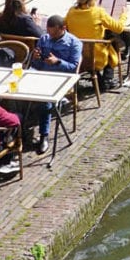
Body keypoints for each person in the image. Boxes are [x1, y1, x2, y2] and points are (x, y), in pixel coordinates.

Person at [28, 13, 82, 154]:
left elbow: (74, 69)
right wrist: (35, 58)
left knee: (45, 100)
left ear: (63, 28)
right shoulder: (44, 39)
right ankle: (18, 131)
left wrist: (58, 62)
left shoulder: (74, 43)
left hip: (61, 79)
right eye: (49, 32)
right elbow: (36, 64)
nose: (50, 36)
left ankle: (43, 136)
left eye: (54, 33)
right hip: (42, 76)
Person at [65, 0, 127, 91]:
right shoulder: (98, 12)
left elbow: (64, 24)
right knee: (113, 45)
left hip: (77, 53)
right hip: (96, 55)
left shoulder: (71, 11)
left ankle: (99, 79)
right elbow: (119, 28)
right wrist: (123, 15)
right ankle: (107, 80)